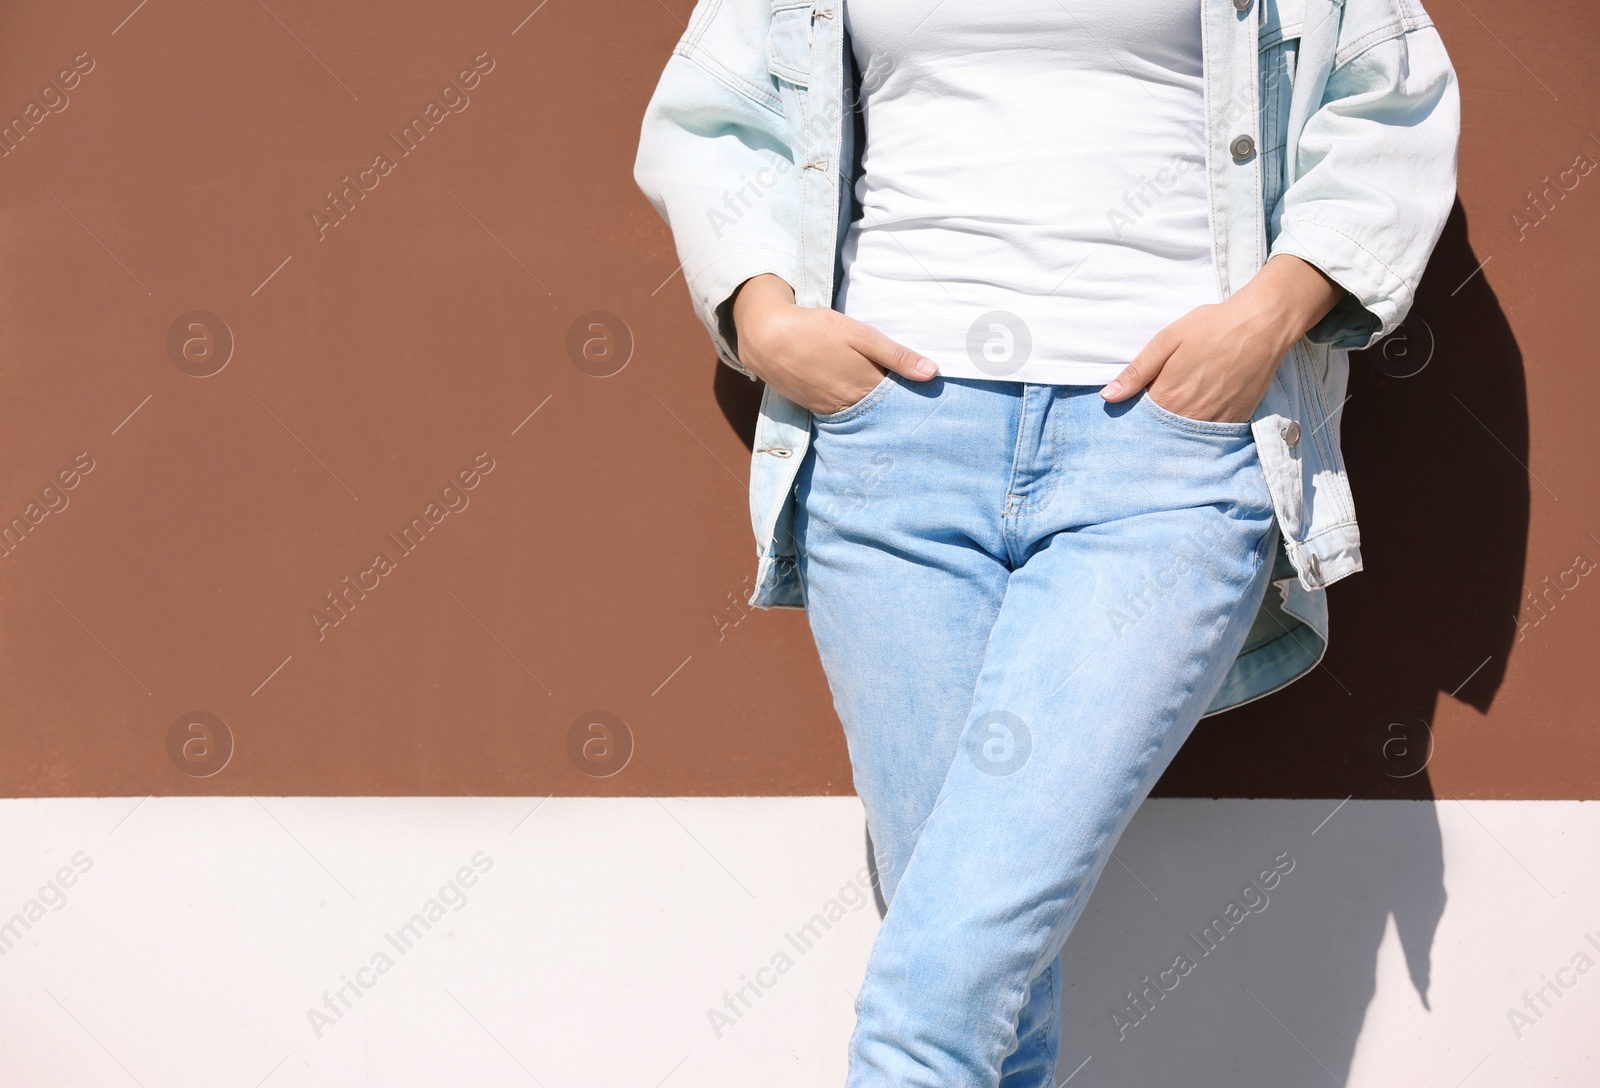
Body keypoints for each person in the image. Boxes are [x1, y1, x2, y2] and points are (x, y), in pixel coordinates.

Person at [634, 0, 1459, 1084]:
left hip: (1161, 455)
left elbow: (1387, 96)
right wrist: (763, 316)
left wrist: (1266, 315)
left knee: (939, 984)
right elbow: (714, 111)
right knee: (984, 971)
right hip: (893, 452)